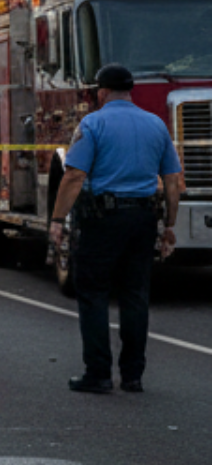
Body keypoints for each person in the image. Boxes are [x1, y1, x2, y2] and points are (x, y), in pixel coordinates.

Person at [49, 62, 184, 394]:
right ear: (130, 91)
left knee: (93, 293)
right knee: (135, 295)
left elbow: (74, 175)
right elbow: (171, 181)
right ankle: (133, 375)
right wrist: (168, 225)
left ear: (102, 92)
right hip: (143, 219)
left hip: (102, 219)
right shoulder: (156, 124)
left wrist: (56, 221)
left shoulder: (93, 123)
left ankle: (98, 373)